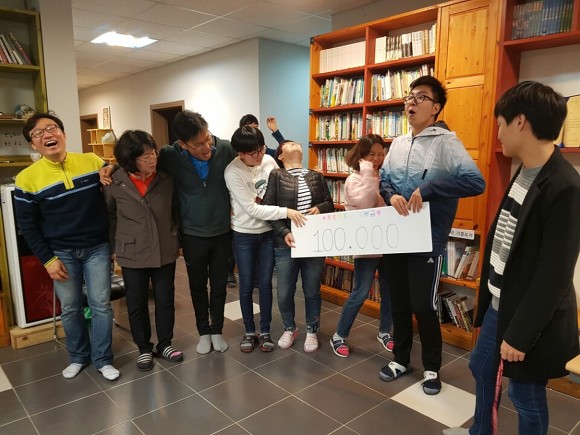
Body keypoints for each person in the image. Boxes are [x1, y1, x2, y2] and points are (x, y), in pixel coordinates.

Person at [444, 81, 580, 435]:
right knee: (481, 366)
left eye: (501, 124)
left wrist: (520, 336)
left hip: (531, 316)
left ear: (521, 122)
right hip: (501, 302)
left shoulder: (565, 186)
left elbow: (554, 274)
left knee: (524, 393)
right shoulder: (526, 168)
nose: (498, 133)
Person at [378, 76, 485, 395]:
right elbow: (384, 180)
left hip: (427, 238)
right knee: (398, 302)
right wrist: (391, 196)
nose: (411, 102)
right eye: (409, 97)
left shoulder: (446, 142)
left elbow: (475, 182)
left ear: (436, 107)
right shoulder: (398, 143)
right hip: (396, 235)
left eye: (420, 97)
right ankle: (400, 359)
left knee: (424, 307)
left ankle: (431, 368)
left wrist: (430, 188)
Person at [101, 111, 236, 355]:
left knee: (218, 285)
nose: (207, 147)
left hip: (222, 231)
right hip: (192, 233)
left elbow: (252, 158)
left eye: (207, 139)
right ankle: (203, 332)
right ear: (182, 144)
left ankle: (217, 330)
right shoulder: (169, 155)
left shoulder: (225, 148)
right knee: (197, 286)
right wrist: (110, 168)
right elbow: (136, 164)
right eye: (198, 144)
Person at [14, 112, 119, 381]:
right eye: (39, 133)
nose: (48, 135)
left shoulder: (90, 161)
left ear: (63, 133)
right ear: (33, 144)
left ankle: (103, 359)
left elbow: (114, 173)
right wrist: (48, 261)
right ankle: (78, 356)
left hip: (96, 247)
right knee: (71, 307)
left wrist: (110, 169)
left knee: (101, 304)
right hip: (61, 253)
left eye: (52, 128)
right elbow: (28, 227)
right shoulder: (26, 179)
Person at [103, 130, 182, 371]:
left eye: (153, 153)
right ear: (130, 159)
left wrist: (176, 238)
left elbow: (176, 211)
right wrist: (114, 247)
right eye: (145, 157)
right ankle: (144, 348)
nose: (152, 159)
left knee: (165, 299)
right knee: (136, 303)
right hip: (131, 250)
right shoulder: (114, 181)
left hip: (164, 247)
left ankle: (165, 343)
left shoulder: (166, 179)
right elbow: (110, 216)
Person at [225, 126, 305, 352]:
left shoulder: (269, 161)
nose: (260, 155)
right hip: (244, 234)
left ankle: (266, 330)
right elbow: (252, 209)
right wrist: (286, 212)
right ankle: (250, 331)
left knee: (266, 284)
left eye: (261, 149)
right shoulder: (232, 172)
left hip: (268, 233)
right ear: (241, 154)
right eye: (254, 153)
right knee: (246, 284)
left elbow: (281, 189)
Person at [262, 140, 334, 352]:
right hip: (286, 243)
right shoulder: (276, 176)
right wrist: (284, 232)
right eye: (288, 144)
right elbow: (267, 209)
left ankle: (312, 329)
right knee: (284, 291)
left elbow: (329, 203)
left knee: (312, 290)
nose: (294, 144)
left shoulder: (316, 176)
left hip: (313, 243)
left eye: (296, 143)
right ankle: (289, 328)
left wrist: (320, 208)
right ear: (281, 156)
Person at [330, 134, 394, 357]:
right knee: (360, 292)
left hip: (388, 243)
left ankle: (385, 331)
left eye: (380, 154)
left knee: (389, 291)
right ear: (361, 155)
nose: (376, 159)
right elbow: (366, 204)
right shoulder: (354, 179)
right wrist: (367, 171)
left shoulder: (383, 176)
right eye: (371, 154)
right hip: (366, 245)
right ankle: (339, 335)